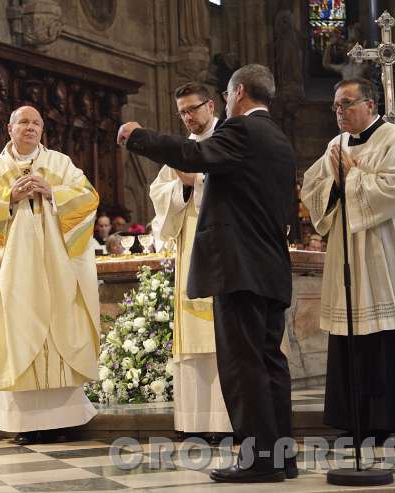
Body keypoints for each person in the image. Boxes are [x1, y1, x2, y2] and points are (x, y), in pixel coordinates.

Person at [118, 64, 297, 483]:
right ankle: (281, 456)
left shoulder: (241, 131)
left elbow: (194, 155)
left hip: (240, 268)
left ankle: (257, 460)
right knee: (270, 363)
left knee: (243, 366)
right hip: (269, 267)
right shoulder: (280, 139)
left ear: (236, 94)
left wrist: (138, 136)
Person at [301, 78, 395, 448]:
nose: (339, 112)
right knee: (352, 336)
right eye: (335, 106)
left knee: (392, 336)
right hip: (349, 254)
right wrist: (337, 183)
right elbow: (312, 188)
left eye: (346, 104)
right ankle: (357, 419)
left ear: (371, 105)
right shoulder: (336, 145)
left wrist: (353, 177)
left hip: (388, 255)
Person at [0, 106, 100, 445]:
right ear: (9, 128)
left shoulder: (59, 164)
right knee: (18, 332)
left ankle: (64, 420)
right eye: (23, 122)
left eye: (37, 123)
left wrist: (53, 191)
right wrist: (9, 196)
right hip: (14, 274)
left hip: (57, 270)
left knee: (60, 328)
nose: (30, 127)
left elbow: (88, 199)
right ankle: (24, 423)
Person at [149, 81, 231, 442]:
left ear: (211, 107)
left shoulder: (227, 141)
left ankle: (224, 424)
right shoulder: (181, 150)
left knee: (221, 339)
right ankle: (195, 422)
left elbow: (235, 188)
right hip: (189, 250)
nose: (188, 118)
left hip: (223, 251)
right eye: (182, 112)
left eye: (193, 109)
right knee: (194, 344)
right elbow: (159, 195)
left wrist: (195, 181)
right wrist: (181, 186)